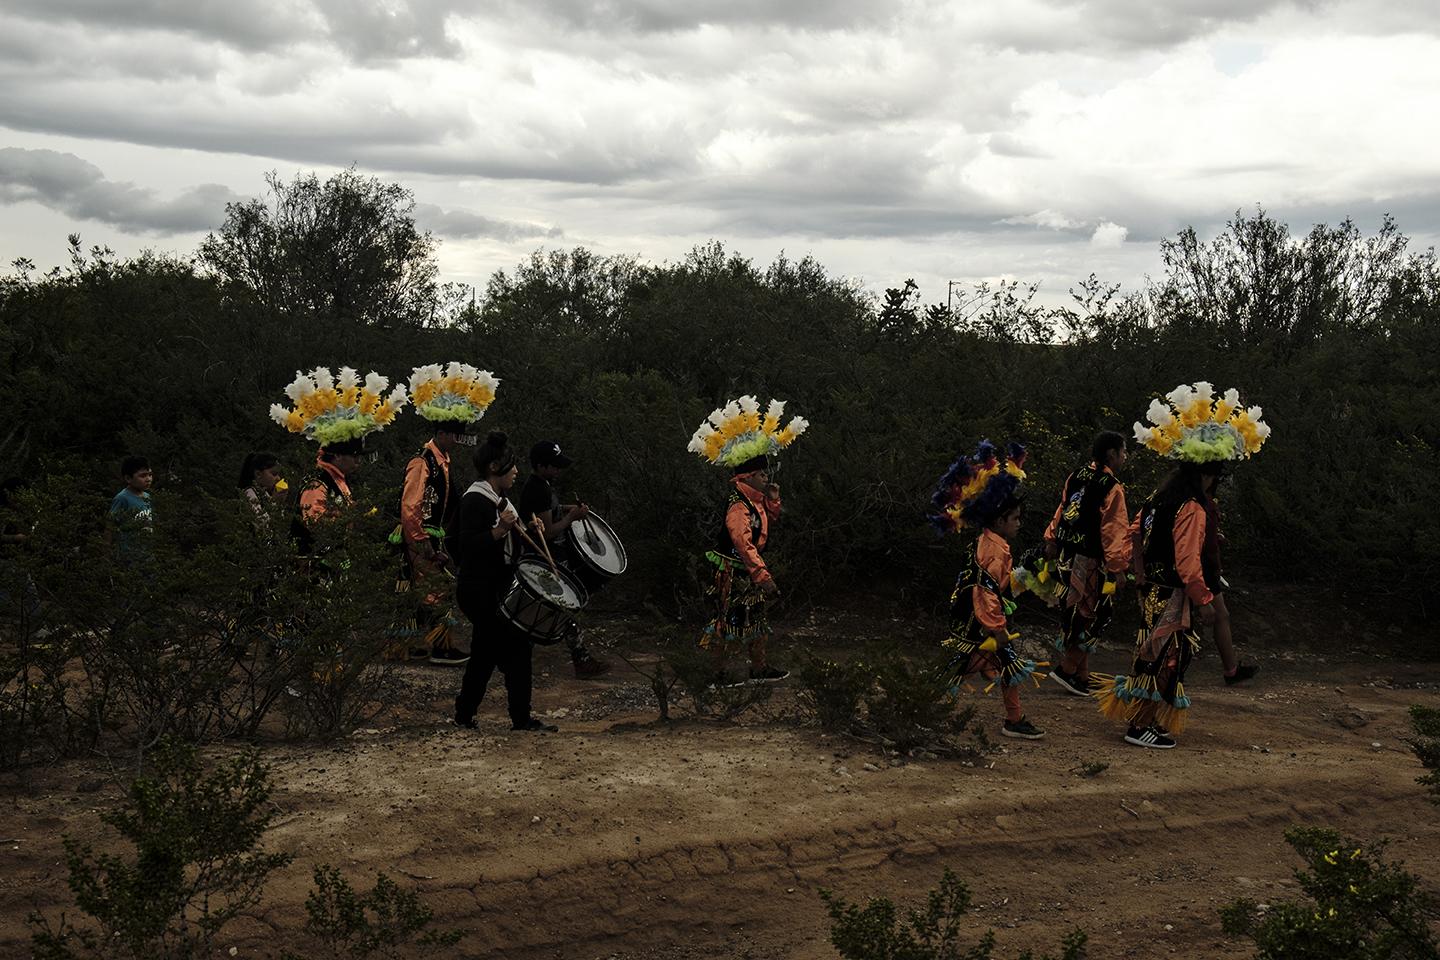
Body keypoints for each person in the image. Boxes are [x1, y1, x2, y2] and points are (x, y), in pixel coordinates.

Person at [1097, 381, 1271, 748]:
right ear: (1209, 473)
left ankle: (1145, 720)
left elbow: (1133, 532)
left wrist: (1141, 572)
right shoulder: (1191, 506)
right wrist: (1205, 599)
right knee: (1166, 656)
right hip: (1174, 592)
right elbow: (1188, 562)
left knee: (1154, 651)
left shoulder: (1160, 497)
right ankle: (1139, 725)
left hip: (1153, 590)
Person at [688, 397, 809, 686]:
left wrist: (774, 500)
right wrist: (761, 574)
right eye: (763, 474)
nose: (767, 478)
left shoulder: (755, 500)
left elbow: (767, 522)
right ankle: (718, 673)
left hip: (745, 570)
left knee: (755, 616)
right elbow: (743, 542)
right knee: (728, 619)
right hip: (732, 571)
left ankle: (759, 667)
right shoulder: (738, 506)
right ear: (749, 476)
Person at [929, 441, 1045, 741]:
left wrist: (1026, 573)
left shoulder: (993, 543)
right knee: (963, 668)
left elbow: (1001, 587)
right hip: (978, 624)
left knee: (1003, 666)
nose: (1019, 524)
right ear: (999, 520)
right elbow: (986, 592)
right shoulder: (993, 549)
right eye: (1015, 519)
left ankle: (1013, 717)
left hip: (976, 620)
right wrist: (997, 628)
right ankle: (925, 709)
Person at [452, 431, 555, 732]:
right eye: (511, 466)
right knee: (508, 649)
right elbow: (465, 546)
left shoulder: (500, 499)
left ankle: (471, 714)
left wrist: (530, 529)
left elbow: (514, 540)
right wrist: (498, 532)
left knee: (492, 651)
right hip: (479, 589)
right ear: (494, 467)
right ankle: (514, 717)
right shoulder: (475, 500)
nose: (516, 472)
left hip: (496, 587)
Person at [400, 362, 502, 666]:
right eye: (454, 435)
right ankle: (440, 647)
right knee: (436, 589)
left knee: (427, 590)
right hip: (419, 537)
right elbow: (410, 508)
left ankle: (417, 645)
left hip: (433, 535)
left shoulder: (441, 461)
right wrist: (422, 542)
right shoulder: (423, 463)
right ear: (442, 433)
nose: (457, 441)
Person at [1044, 431, 1132, 697]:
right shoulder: (1111, 487)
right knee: (1096, 615)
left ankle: (1082, 675)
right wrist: (1118, 568)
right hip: (1090, 561)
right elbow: (1113, 530)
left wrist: (1050, 537)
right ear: (1112, 454)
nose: (1126, 457)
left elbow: (1063, 508)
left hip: (1067, 557)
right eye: (1124, 452)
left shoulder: (1077, 475)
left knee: (1077, 614)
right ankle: (1067, 669)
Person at [518, 439, 610, 678]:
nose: (558, 469)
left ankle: (580, 658)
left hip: (551, 556)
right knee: (562, 607)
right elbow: (546, 531)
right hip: (544, 557)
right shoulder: (537, 488)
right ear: (540, 466)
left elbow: (550, 510)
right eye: (553, 465)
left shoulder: (543, 484)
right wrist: (572, 518)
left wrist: (570, 509)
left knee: (552, 609)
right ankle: (581, 659)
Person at [108, 455, 154, 563]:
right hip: (130, 555)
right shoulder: (122, 498)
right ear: (128, 478)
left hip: (147, 553)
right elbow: (110, 525)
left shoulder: (147, 497)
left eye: (150, 475)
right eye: (143, 476)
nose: (148, 479)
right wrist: (106, 554)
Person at [238, 451, 288, 534]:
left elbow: (280, 525)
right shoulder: (249, 494)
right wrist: (274, 502)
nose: (278, 478)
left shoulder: (265, 494)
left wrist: (279, 504)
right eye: (274, 474)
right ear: (258, 474)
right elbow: (263, 526)